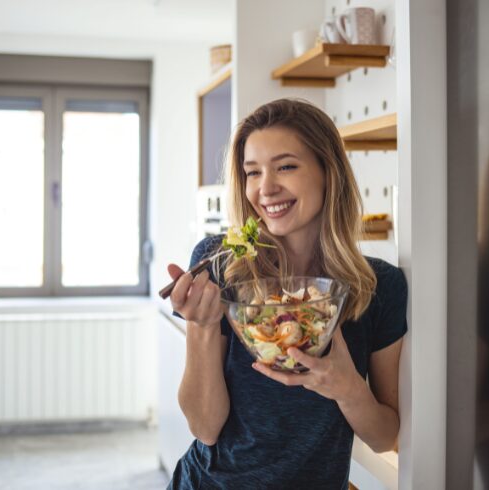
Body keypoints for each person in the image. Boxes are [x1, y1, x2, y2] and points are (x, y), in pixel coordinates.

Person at [166, 98, 408, 489]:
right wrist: (203, 326)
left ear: (328, 172)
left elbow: (385, 436)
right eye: (252, 172)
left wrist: (347, 389)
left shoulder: (377, 287)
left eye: (286, 166)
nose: (265, 188)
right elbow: (204, 428)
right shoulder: (218, 265)